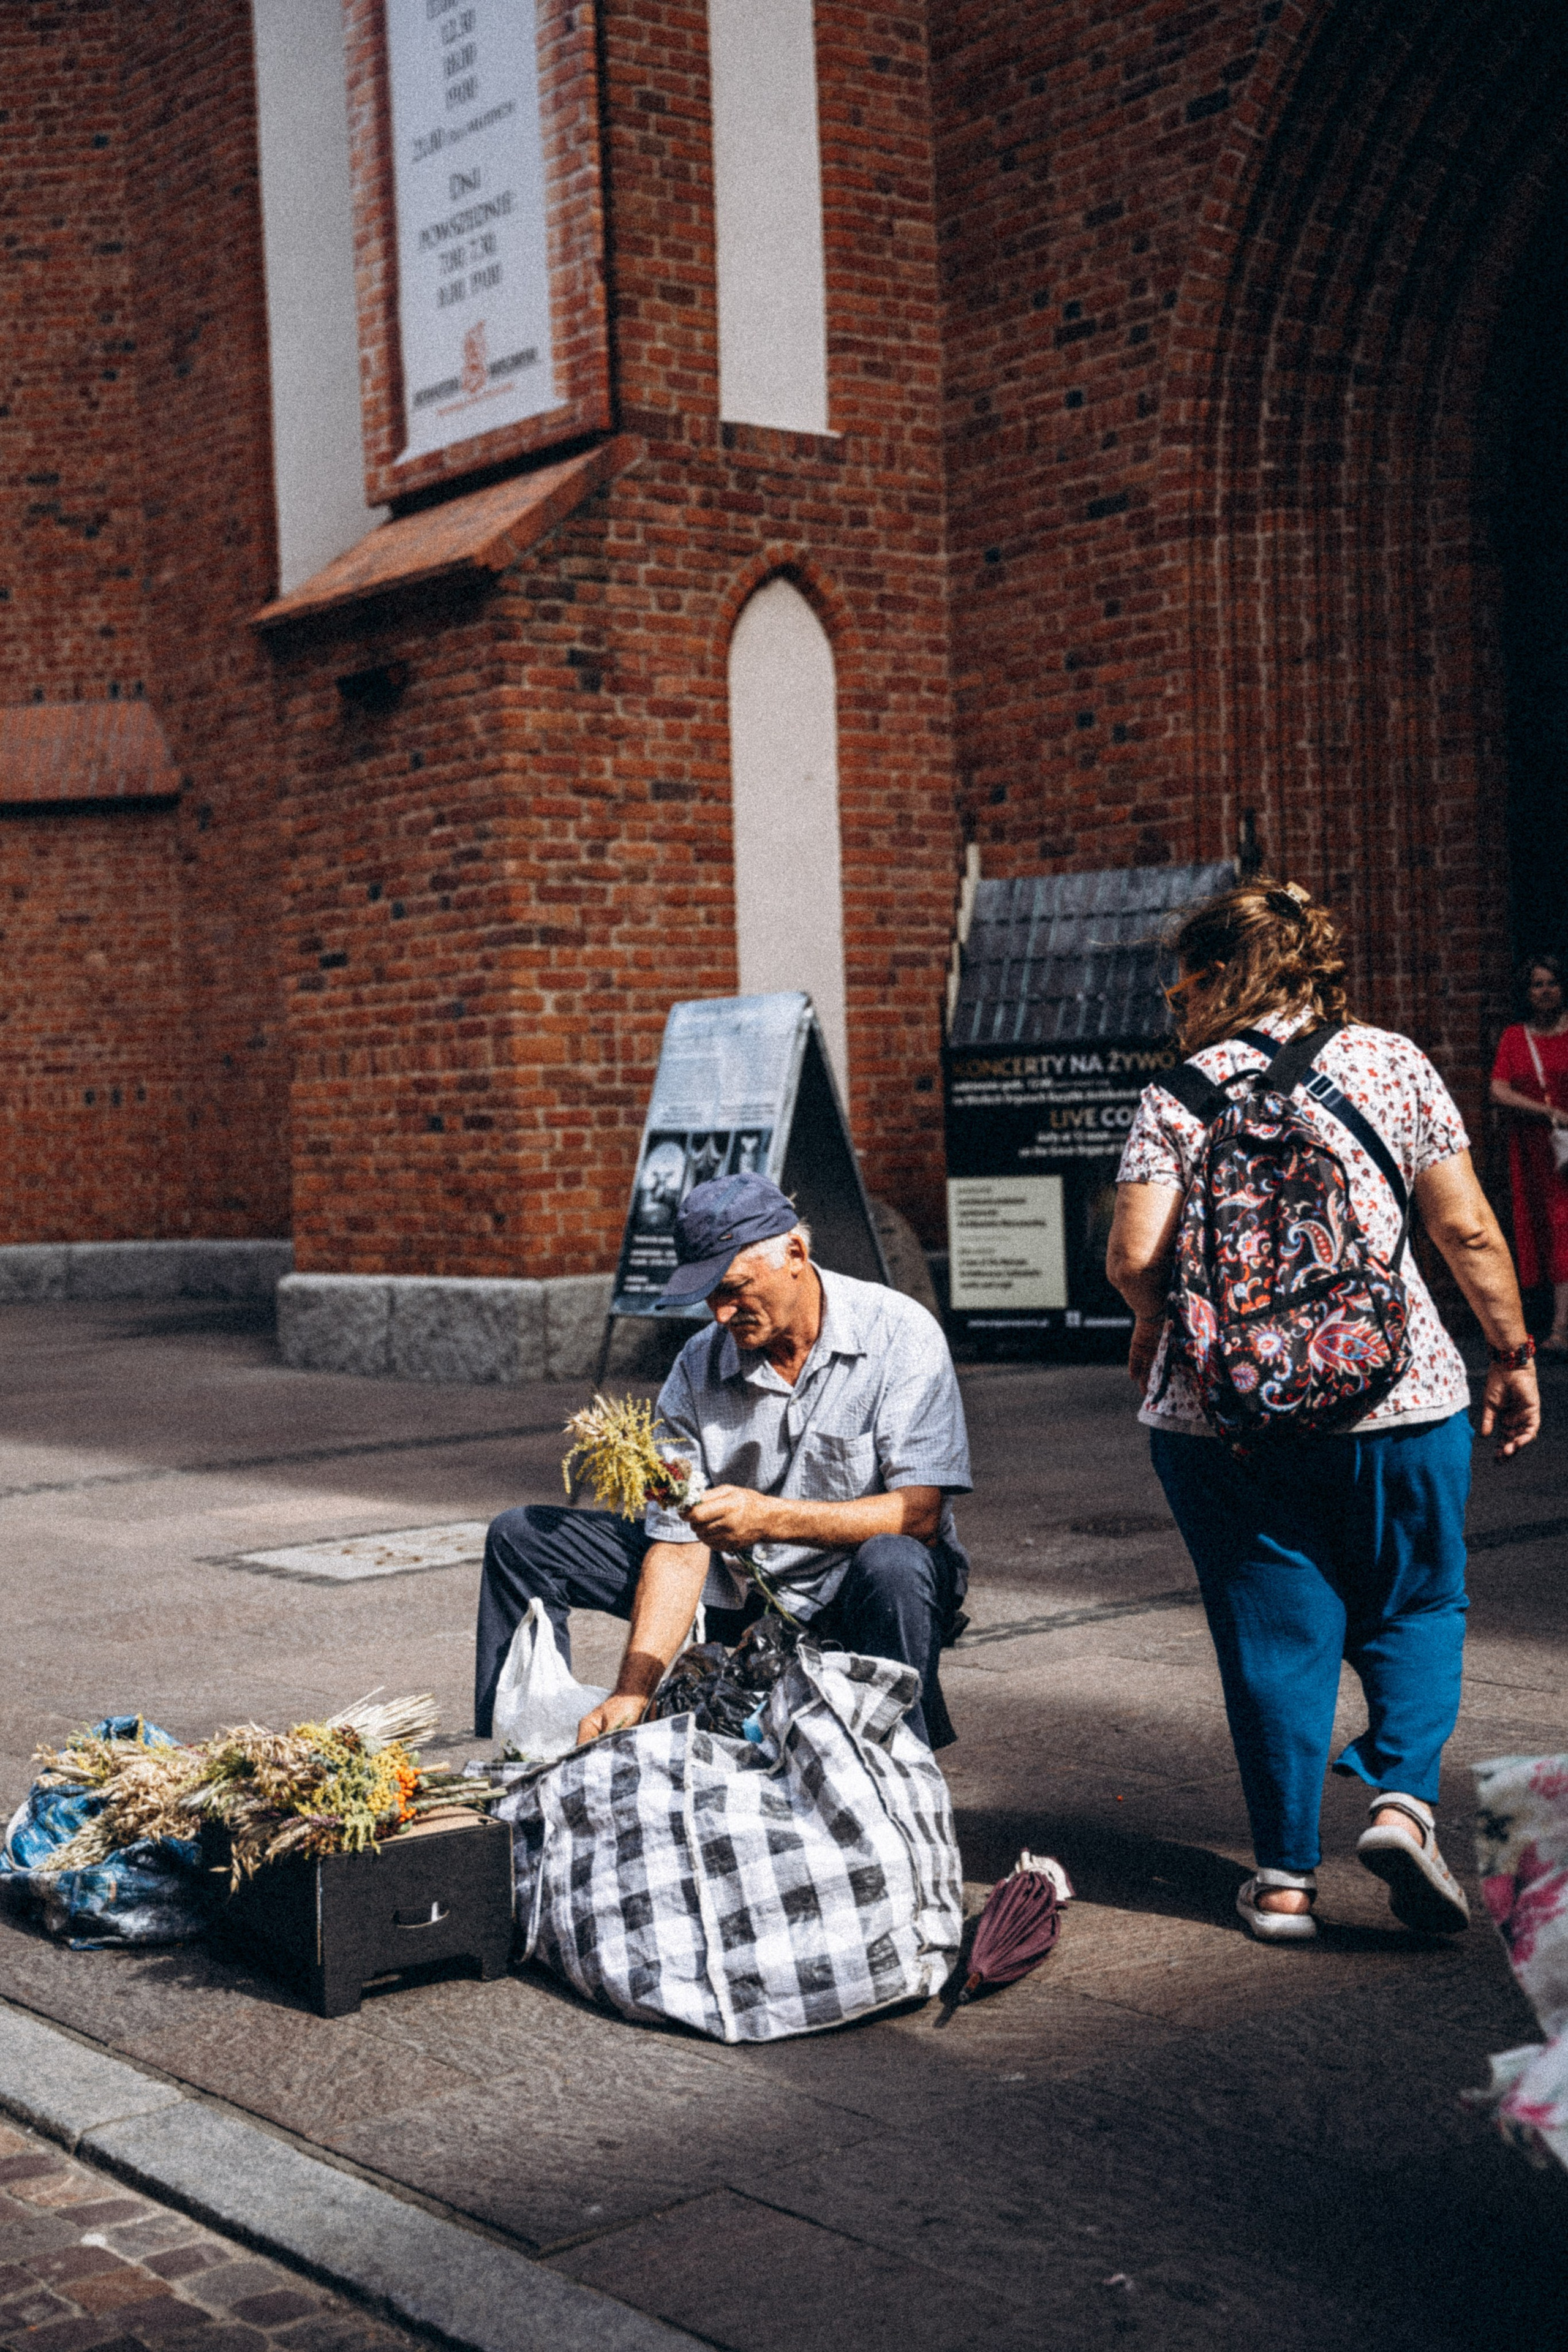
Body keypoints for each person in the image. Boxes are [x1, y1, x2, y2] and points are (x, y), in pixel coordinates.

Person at [1106, 878, 1540, 1943]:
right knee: (1418, 1605)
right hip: (1401, 1395)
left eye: (1183, 974)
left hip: (1224, 1418)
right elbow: (1469, 1232)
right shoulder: (1393, 1063)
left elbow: (1131, 1255)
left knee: (1272, 1632)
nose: (1173, 992)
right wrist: (1514, 1353)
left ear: (1218, 975)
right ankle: (1400, 1801)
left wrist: (1153, 1322)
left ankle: (1287, 1882)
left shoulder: (1181, 1091)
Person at [475, 1174, 973, 1749]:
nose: (720, 1314)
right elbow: (679, 1549)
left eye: (734, 1288)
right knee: (521, 1538)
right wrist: (635, 1690)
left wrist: (769, 1519)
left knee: (895, 1559)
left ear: (794, 1254)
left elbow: (921, 1515)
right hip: (740, 1593)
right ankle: (518, 1746)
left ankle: (901, 1762)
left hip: (857, 1592)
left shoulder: (900, 1334)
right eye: (709, 1296)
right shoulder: (696, 1367)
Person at [1490, 955, 1568, 1355]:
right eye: (1537, 984)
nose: (1545, 991)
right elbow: (1499, 1090)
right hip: (1537, 1148)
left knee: (1563, 1226)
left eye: (1552, 982)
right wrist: (1548, 1111)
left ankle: (1561, 1327)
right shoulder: (1514, 1037)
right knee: (1545, 1230)